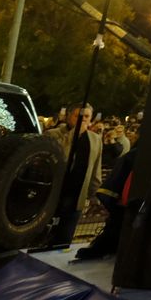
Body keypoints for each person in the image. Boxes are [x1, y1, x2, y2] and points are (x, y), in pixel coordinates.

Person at [43, 102, 102, 249]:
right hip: (52, 196)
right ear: (69, 116)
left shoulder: (95, 140)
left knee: (64, 241)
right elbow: (58, 154)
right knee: (44, 237)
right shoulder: (53, 134)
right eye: (78, 116)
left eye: (87, 116)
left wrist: (95, 195)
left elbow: (95, 170)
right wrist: (73, 134)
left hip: (76, 199)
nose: (83, 120)